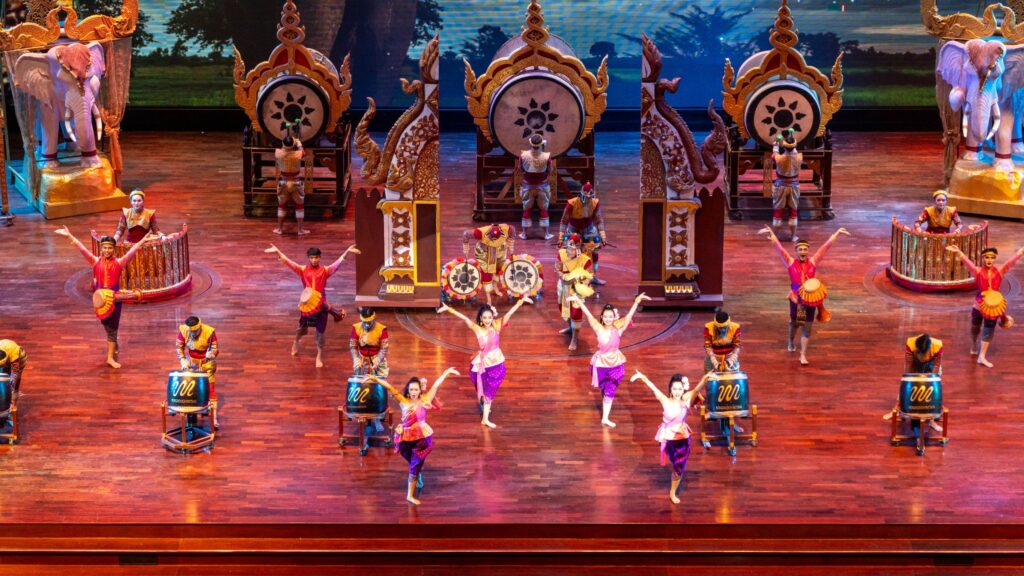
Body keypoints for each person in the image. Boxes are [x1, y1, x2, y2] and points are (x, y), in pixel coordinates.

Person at [56, 226, 148, 368]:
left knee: (112, 328)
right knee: (105, 325)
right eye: (105, 248)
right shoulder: (95, 261)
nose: (107, 250)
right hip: (99, 299)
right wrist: (69, 235)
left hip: (114, 299)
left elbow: (132, 251)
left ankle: (110, 358)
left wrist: (142, 241)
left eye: (110, 248)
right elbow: (82, 250)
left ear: (114, 249)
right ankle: (114, 343)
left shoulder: (119, 263)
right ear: (101, 249)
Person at [366, 367, 459, 505]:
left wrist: (445, 373)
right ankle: (417, 473)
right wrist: (375, 379)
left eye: (416, 389)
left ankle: (409, 495)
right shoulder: (403, 401)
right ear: (408, 391)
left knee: (414, 465)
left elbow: (435, 386)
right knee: (412, 462)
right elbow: (390, 388)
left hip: (422, 439)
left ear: (420, 390)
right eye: (411, 389)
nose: (414, 392)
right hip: (405, 438)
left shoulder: (425, 399)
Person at [759, 225, 849, 366]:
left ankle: (803, 354)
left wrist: (835, 235)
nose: (803, 252)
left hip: (810, 300)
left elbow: (824, 249)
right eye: (800, 249)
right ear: (796, 251)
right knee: (796, 323)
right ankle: (790, 341)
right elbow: (780, 250)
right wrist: (772, 235)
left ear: (808, 251)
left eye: (805, 249)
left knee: (807, 326)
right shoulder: (790, 263)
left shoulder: (813, 262)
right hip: (798, 300)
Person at [436, 297, 533, 428]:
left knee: (490, 390)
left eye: (489, 317)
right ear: (481, 319)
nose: (487, 320)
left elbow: (509, 313)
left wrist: (520, 302)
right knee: (486, 390)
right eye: (485, 318)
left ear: (493, 317)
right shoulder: (477, 329)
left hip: (496, 363)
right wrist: (449, 309)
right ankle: (485, 416)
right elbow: (465, 319)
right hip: (483, 363)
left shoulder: (496, 326)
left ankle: (485, 410)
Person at [265, 244, 359, 368]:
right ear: (308, 258)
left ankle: (319, 355)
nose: (314, 260)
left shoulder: (325, 270)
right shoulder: (303, 270)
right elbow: (289, 263)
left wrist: (347, 251)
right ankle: (296, 341)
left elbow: (338, 263)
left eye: (316, 257)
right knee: (301, 327)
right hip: (307, 303)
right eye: (312, 257)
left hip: (321, 303)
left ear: (320, 258)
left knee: (320, 331)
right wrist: (278, 252)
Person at [631, 370, 711, 504]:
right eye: (674, 389)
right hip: (667, 439)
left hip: (682, 441)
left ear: (683, 390)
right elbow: (653, 388)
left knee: (678, 469)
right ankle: (675, 475)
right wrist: (643, 377)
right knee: (675, 464)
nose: (677, 392)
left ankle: (672, 492)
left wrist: (704, 380)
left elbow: (696, 391)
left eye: (680, 389)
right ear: (670, 389)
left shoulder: (686, 402)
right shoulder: (665, 400)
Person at [572, 293, 650, 427]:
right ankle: (606, 408)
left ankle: (605, 418)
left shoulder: (618, 330)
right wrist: (578, 301)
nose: (608, 319)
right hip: (601, 365)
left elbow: (628, 317)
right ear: (602, 317)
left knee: (610, 391)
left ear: (614, 317)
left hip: (615, 365)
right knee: (604, 390)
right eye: (606, 316)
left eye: (610, 316)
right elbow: (589, 315)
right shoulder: (598, 328)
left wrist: (636, 302)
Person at [946, 244, 1024, 367]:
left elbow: (1010, 262)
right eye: (987, 257)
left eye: (992, 257)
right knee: (975, 326)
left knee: (989, 328)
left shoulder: (1000, 271)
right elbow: (968, 263)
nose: (989, 260)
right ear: (983, 258)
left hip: (994, 305)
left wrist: (1020, 252)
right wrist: (959, 252)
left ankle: (981, 356)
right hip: (979, 303)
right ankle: (974, 343)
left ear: (995, 259)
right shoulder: (977, 271)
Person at [559, 182, 607, 285]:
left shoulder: (595, 203)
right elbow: (564, 221)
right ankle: (572, 276)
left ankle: (592, 276)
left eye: (590, 197)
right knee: (572, 253)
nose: (589, 199)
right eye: (586, 197)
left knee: (594, 252)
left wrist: (603, 236)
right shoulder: (572, 203)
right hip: (573, 231)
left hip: (589, 231)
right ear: (582, 194)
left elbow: (599, 220)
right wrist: (560, 237)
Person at [176, 316, 220, 427]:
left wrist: (211, 354)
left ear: (200, 327)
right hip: (192, 362)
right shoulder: (183, 331)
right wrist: (182, 359)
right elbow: (179, 347)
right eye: (191, 331)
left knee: (210, 389)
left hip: (206, 363)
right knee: (189, 389)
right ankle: (190, 414)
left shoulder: (209, 332)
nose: (193, 334)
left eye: (195, 331)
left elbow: (215, 349)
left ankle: (214, 416)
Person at [557, 234, 594, 351]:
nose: (570, 251)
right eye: (569, 248)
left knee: (576, 313)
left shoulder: (585, 260)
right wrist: (563, 276)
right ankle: (570, 327)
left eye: (573, 249)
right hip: (563, 286)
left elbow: (590, 275)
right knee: (564, 309)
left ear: (578, 249)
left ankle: (574, 337)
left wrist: (582, 283)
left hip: (577, 290)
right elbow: (557, 268)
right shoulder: (561, 254)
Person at [463, 223, 515, 305]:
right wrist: (466, 249)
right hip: (484, 253)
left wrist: (511, 247)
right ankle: (488, 298)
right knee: (486, 274)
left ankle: (495, 286)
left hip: (499, 252)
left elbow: (512, 234)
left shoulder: (508, 229)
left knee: (498, 270)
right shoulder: (480, 232)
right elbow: (466, 234)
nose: (494, 240)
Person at [518, 134, 554, 240]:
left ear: (531, 143)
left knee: (527, 208)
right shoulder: (547, 156)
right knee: (543, 209)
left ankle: (524, 234)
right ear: (541, 144)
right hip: (542, 186)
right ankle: (546, 234)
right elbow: (550, 171)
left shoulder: (523, 155)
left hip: (527, 186)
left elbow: (520, 169)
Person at [771, 129, 803, 242]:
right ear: (794, 146)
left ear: (784, 146)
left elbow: (774, 154)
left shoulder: (778, 158)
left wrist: (776, 144)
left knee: (778, 212)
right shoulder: (800, 157)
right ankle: (793, 236)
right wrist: (791, 138)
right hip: (794, 186)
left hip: (780, 186)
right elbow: (793, 150)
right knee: (793, 212)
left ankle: (775, 237)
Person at [274, 134, 308, 236]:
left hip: (283, 183)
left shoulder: (278, 153)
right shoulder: (299, 153)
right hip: (296, 183)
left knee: (282, 206)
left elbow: (283, 148)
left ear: (283, 144)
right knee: (299, 206)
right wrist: (298, 142)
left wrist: (290, 143)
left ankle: (279, 229)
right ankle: (300, 230)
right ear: (293, 144)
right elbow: (302, 151)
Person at [350, 307, 389, 378]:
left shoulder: (381, 329)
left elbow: (384, 348)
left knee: (380, 382)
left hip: (378, 359)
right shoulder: (356, 327)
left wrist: (377, 360)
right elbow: (353, 347)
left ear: (373, 319)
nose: (366, 325)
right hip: (362, 361)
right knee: (361, 382)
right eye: (364, 322)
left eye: (369, 322)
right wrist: (356, 359)